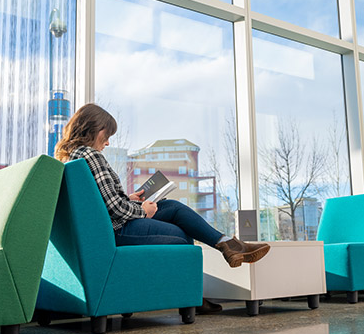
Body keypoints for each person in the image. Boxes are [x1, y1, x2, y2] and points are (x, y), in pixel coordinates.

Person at [54, 103, 270, 313]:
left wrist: (130, 198)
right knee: (183, 235)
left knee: (173, 207)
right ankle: (193, 294)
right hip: (118, 228)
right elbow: (115, 209)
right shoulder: (92, 155)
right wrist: (142, 211)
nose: (108, 142)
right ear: (92, 128)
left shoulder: (71, 158)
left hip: (109, 224)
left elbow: (98, 204)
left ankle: (227, 246)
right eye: (106, 134)